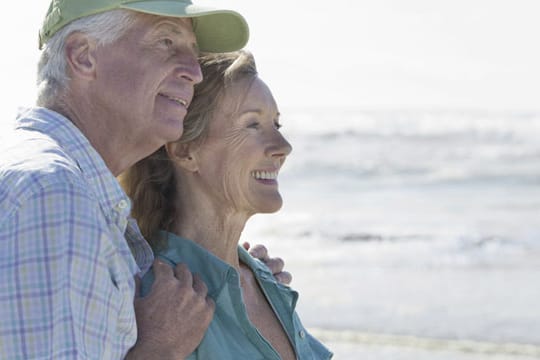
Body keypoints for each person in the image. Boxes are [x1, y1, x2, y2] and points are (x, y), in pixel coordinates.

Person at [0, 1, 288, 358]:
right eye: (166, 42)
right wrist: (159, 347)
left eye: (194, 53)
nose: (194, 72)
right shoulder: (53, 197)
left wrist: (236, 279)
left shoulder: (74, 197)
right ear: (84, 56)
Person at [121, 50, 333, 359]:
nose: (283, 147)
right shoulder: (159, 299)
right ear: (185, 151)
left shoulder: (264, 279)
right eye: (252, 125)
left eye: (277, 124)